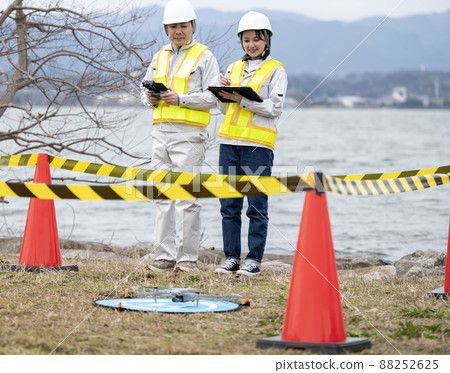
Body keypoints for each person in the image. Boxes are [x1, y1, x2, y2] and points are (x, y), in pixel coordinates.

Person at [141, 0, 220, 273]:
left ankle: (187, 260)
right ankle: (163, 257)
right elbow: (143, 90)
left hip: (189, 135)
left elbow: (213, 97)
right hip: (160, 132)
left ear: (193, 26)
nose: (178, 31)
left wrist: (181, 99)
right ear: (166, 29)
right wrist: (150, 99)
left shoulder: (205, 56)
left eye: (183, 26)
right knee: (162, 195)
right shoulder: (159, 55)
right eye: (173, 26)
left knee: (188, 197)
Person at [214, 11, 288, 276]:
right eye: (246, 40)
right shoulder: (233, 68)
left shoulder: (276, 69)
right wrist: (222, 94)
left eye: (256, 39)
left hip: (258, 146)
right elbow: (225, 109)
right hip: (228, 143)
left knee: (256, 204)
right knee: (229, 205)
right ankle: (231, 258)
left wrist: (241, 99)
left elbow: (275, 108)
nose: (251, 44)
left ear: (267, 40)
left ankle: (254, 260)